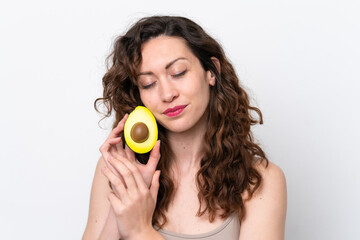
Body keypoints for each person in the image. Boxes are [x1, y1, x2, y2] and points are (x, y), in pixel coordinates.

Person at [82, 16, 287, 240]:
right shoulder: (115, 169)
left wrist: (140, 231)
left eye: (178, 72)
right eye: (148, 84)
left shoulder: (260, 181)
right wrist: (126, 195)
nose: (167, 94)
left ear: (212, 71)